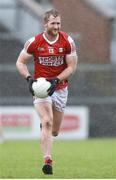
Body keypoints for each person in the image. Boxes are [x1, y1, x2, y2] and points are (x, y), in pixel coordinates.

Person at [16, 9, 78, 175]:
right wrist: (29, 78)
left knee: (54, 131)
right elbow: (20, 62)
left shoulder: (67, 41)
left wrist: (56, 80)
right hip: (41, 89)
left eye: (58, 23)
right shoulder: (34, 42)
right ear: (45, 24)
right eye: (53, 23)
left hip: (60, 88)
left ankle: (45, 127)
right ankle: (48, 160)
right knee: (47, 120)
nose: (56, 26)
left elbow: (72, 67)